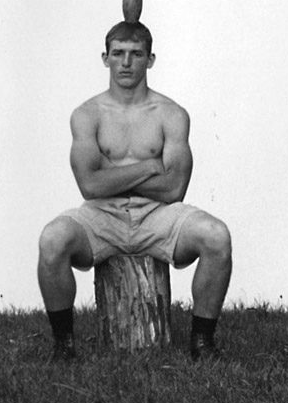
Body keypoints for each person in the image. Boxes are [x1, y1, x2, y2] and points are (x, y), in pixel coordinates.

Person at [37, 20, 232, 361]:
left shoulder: (171, 114)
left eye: (136, 54)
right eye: (118, 54)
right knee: (52, 239)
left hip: (157, 216)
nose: (126, 62)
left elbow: (174, 189)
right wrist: (147, 166)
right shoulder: (87, 115)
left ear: (150, 60)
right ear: (105, 58)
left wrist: (112, 175)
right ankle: (62, 347)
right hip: (102, 217)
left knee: (216, 236)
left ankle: (202, 343)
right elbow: (89, 185)